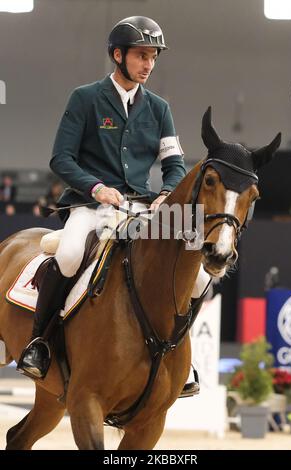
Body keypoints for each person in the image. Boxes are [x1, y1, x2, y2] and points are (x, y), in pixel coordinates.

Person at [17, 16, 209, 396]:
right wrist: (97, 187)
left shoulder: (159, 108)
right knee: (70, 255)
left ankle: (179, 359)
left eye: (153, 56)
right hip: (91, 205)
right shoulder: (85, 98)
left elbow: (174, 166)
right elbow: (61, 158)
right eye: (141, 55)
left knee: (201, 277)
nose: (149, 64)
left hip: (141, 210)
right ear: (118, 55)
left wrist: (165, 194)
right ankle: (40, 343)